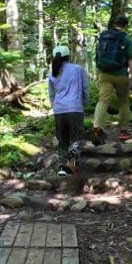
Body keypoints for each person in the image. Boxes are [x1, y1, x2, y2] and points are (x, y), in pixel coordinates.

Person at [92, 15, 132, 142]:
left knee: (103, 101)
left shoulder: (103, 36)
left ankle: (96, 127)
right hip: (121, 74)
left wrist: (97, 75)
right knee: (124, 102)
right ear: (126, 26)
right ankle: (123, 131)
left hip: (104, 74)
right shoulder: (127, 39)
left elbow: (97, 57)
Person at [48, 45, 89, 176]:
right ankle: (73, 163)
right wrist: (84, 103)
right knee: (76, 137)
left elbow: (51, 95)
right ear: (68, 56)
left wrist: (55, 107)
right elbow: (84, 89)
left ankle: (61, 167)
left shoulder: (52, 73)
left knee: (62, 139)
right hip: (75, 108)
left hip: (59, 110)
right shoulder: (77, 69)